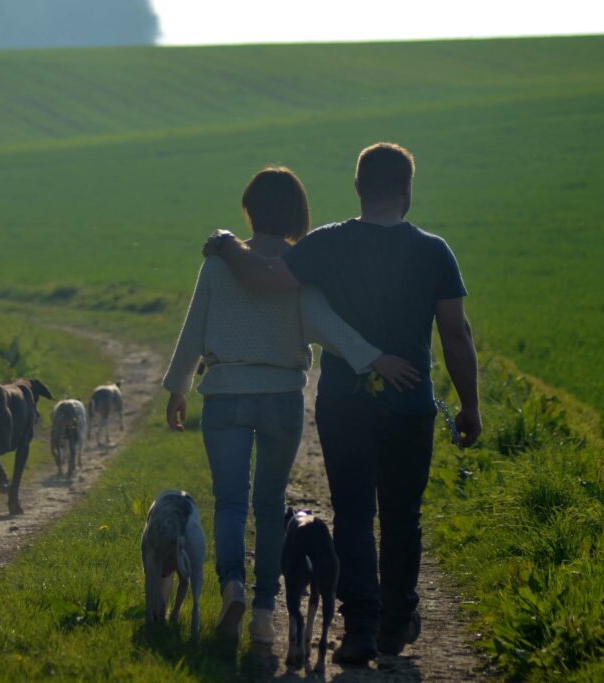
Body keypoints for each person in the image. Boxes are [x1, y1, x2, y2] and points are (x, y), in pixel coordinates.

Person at [204, 143, 481, 665]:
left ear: (358, 188)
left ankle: (359, 630)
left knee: (353, 512)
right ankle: (395, 624)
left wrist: (225, 244)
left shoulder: (327, 243)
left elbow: (263, 279)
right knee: (403, 515)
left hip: (343, 404)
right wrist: (470, 406)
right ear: (406, 191)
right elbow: (456, 333)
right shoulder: (434, 251)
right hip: (409, 404)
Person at [162, 166, 421, 645]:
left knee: (231, 501)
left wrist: (178, 387)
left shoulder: (220, 263)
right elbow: (328, 326)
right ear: (298, 212)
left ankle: (232, 584)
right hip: (281, 399)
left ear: (249, 209)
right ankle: (263, 611)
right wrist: (375, 358)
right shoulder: (300, 268)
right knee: (269, 503)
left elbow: (194, 328)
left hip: (224, 397)